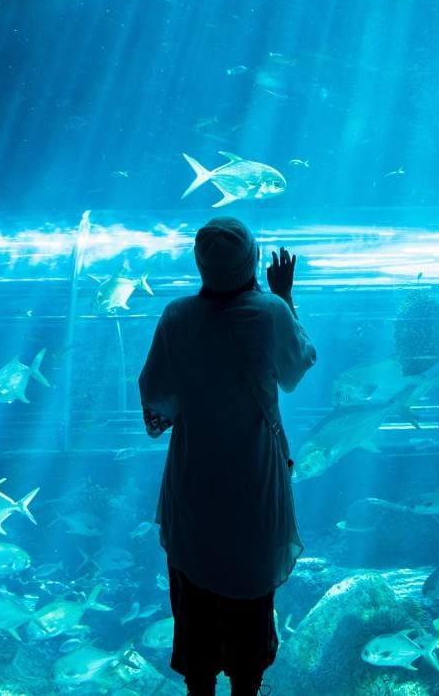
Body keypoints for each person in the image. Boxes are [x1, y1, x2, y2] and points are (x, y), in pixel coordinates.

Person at [139, 216, 316, 696]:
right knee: (249, 596)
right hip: (254, 475)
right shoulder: (269, 312)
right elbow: (296, 369)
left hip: (194, 472)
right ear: (252, 259)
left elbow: (156, 394)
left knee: (194, 596)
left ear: (201, 263)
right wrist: (285, 296)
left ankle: (200, 685)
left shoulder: (177, 315)